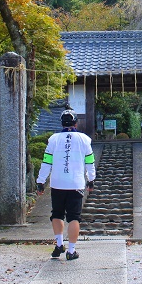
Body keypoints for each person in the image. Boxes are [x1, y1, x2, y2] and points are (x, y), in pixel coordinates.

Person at [36, 108, 95, 261]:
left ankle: (59, 244)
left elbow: (46, 162)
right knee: (74, 217)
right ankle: (71, 251)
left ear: (62, 122)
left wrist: (40, 181)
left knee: (57, 214)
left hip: (57, 183)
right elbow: (90, 162)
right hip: (76, 183)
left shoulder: (53, 139)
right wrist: (91, 179)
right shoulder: (84, 139)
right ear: (76, 122)